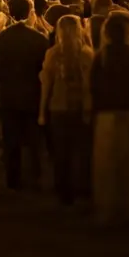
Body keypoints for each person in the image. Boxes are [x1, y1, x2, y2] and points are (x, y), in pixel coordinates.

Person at [90, 11, 129, 226]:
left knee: (107, 167)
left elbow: (93, 87)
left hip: (107, 114)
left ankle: (109, 210)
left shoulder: (102, 56)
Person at [0, 0, 48, 192]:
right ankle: (34, 177)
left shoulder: (3, 37)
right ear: (30, 13)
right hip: (32, 95)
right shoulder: (38, 38)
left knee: (11, 139)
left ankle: (13, 178)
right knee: (33, 139)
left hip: (8, 95)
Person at [37, 14, 93, 206]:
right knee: (82, 151)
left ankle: (63, 191)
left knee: (61, 152)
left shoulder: (53, 54)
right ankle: (83, 189)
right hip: (80, 107)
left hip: (58, 106)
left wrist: (42, 111)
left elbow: (47, 85)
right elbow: (89, 86)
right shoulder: (87, 54)